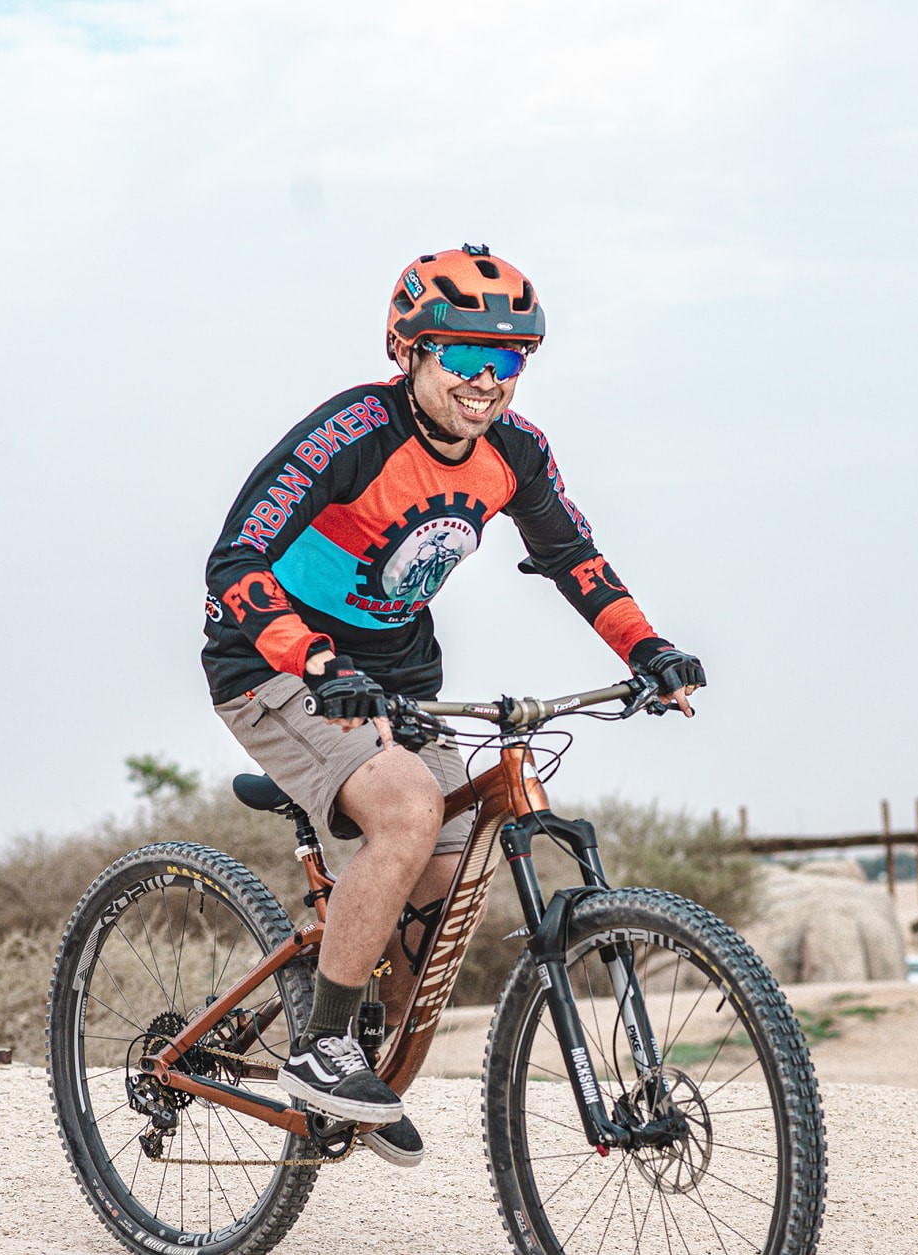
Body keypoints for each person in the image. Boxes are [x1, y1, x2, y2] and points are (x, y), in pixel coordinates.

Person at [201, 245, 705, 1168]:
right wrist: (313, 657)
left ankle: (361, 1060)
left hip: (397, 682)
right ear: (410, 352)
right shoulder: (351, 432)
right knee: (406, 807)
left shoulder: (513, 453)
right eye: (465, 359)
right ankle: (319, 1046)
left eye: (508, 362)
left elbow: (574, 557)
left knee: (446, 877)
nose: (487, 383)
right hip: (273, 666)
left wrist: (650, 649)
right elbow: (234, 565)